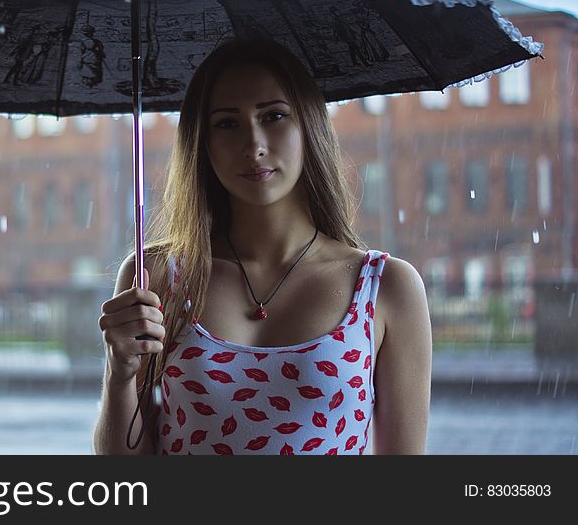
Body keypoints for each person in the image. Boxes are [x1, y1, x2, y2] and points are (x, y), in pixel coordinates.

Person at [93, 38, 432, 455]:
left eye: (273, 116)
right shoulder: (155, 276)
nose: (253, 144)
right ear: (202, 142)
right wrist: (120, 373)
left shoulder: (386, 287)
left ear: (308, 126)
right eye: (226, 123)